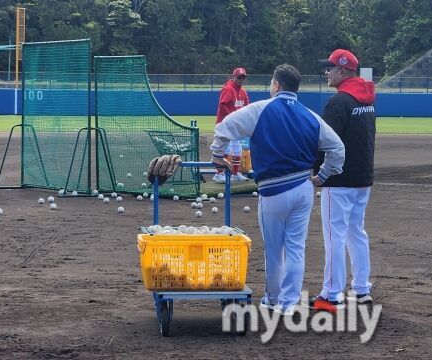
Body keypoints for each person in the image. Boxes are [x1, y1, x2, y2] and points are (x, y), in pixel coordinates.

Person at [149, 64, 345, 315]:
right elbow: (337, 149)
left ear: (276, 85)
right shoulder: (310, 116)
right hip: (303, 187)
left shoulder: (261, 109)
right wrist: (324, 175)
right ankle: (288, 304)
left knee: (275, 250)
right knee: (296, 248)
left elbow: (225, 126)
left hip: (274, 190)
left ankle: (273, 299)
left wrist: (218, 155)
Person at [310, 49, 376, 312]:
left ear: (344, 71)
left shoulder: (339, 102)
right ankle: (361, 289)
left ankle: (331, 293)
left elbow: (324, 142)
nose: (327, 72)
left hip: (338, 181)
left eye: (331, 68)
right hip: (362, 178)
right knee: (356, 232)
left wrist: (316, 171)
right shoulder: (367, 99)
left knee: (334, 236)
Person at [212, 67, 251, 183]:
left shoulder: (243, 92)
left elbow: (247, 107)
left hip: (235, 126)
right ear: (233, 77)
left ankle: (235, 174)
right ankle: (219, 174)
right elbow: (222, 105)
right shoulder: (228, 89)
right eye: (239, 77)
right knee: (226, 149)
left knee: (237, 149)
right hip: (224, 125)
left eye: (243, 77)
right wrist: (232, 118)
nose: (241, 80)